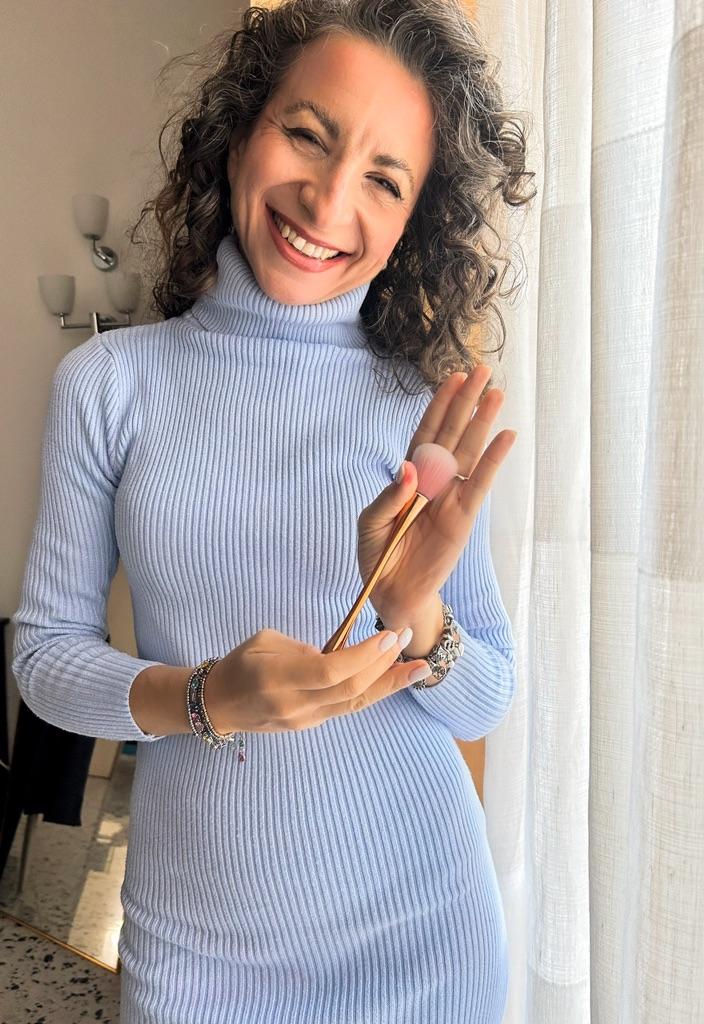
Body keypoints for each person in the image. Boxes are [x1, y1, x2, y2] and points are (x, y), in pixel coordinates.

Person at [11, 1, 535, 1020]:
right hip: (194, 953)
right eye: (307, 134)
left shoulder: (416, 404)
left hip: (424, 935)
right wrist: (204, 697)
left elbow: (487, 701)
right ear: (241, 131)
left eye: (385, 179)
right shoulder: (109, 383)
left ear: (413, 223)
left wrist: (416, 610)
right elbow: (44, 658)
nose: (329, 199)